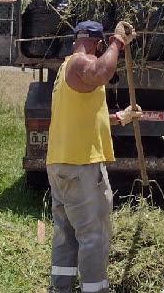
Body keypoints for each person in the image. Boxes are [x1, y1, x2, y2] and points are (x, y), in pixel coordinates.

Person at [46, 20, 141, 293]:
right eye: (102, 47)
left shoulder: (66, 72)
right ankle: (94, 289)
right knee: (94, 236)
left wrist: (120, 117)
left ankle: (60, 287)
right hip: (81, 166)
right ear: (97, 44)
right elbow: (101, 72)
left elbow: (84, 117)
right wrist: (118, 43)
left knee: (67, 235)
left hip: (61, 164)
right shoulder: (79, 63)